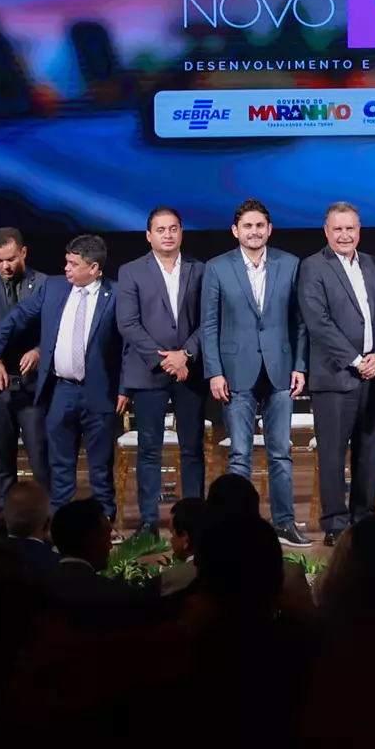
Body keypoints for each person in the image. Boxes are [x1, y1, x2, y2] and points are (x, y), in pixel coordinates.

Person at [0, 234, 128, 516]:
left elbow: (128, 347)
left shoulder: (117, 294)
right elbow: (19, 315)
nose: (66, 268)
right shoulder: (54, 287)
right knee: (59, 467)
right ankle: (58, 524)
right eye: (66, 262)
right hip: (61, 392)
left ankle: (105, 523)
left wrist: (124, 389)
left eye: (73, 264)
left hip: (100, 393)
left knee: (100, 468)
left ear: (94, 268)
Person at [200, 198, 311, 547]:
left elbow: (300, 322)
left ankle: (284, 523)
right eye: (247, 226)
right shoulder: (217, 267)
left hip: (280, 371)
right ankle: (238, 527)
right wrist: (214, 372)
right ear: (235, 231)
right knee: (239, 455)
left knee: (281, 453)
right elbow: (209, 325)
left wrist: (300, 365)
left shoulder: (290, 264)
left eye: (259, 225)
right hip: (235, 372)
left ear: (269, 229)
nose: (254, 231)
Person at [298, 201, 375, 546]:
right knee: (333, 455)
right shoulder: (312, 267)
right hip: (335, 377)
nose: (345, 235)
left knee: (369, 452)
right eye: (338, 229)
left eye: (350, 228)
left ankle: (363, 518)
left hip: (371, 376)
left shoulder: (374, 265)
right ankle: (335, 524)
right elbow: (318, 322)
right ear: (326, 231)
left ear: (359, 230)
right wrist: (355, 359)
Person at [117, 206, 207, 542]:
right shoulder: (131, 271)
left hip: (189, 370)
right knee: (149, 449)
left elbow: (209, 320)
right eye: (160, 229)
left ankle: (194, 519)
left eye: (173, 229)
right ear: (148, 235)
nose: (167, 235)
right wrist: (165, 360)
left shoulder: (200, 269)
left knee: (192, 448)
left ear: (181, 232)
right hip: (148, 371)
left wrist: (185, 355)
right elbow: (128, 323)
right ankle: (148, 523)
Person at [0, 227, 50, 513]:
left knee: (41, 460)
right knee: (1, 462)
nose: (5, 266)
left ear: (23, 253)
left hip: (33, 387)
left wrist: (39, 351)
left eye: (11, 259)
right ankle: (5, 521)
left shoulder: (45, 284)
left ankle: (47, 520)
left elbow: (54, 327)